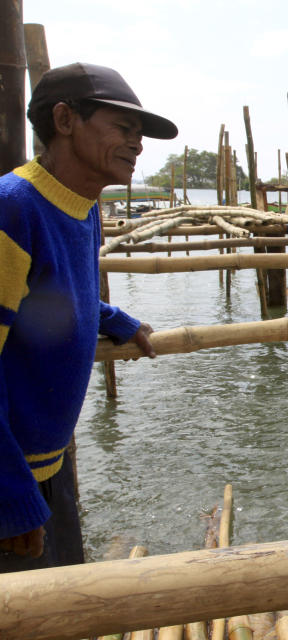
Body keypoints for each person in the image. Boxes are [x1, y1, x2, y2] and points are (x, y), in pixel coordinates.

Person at [0, 62, 177, 571]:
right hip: (10, 477)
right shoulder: (14, 209)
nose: (137, 143)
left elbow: (46, 290)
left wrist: (109, 316)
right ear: (64, 119)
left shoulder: (82, 207)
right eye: (123, 128)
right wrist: (11, 494)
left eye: (139, 134)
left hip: (45, 466)